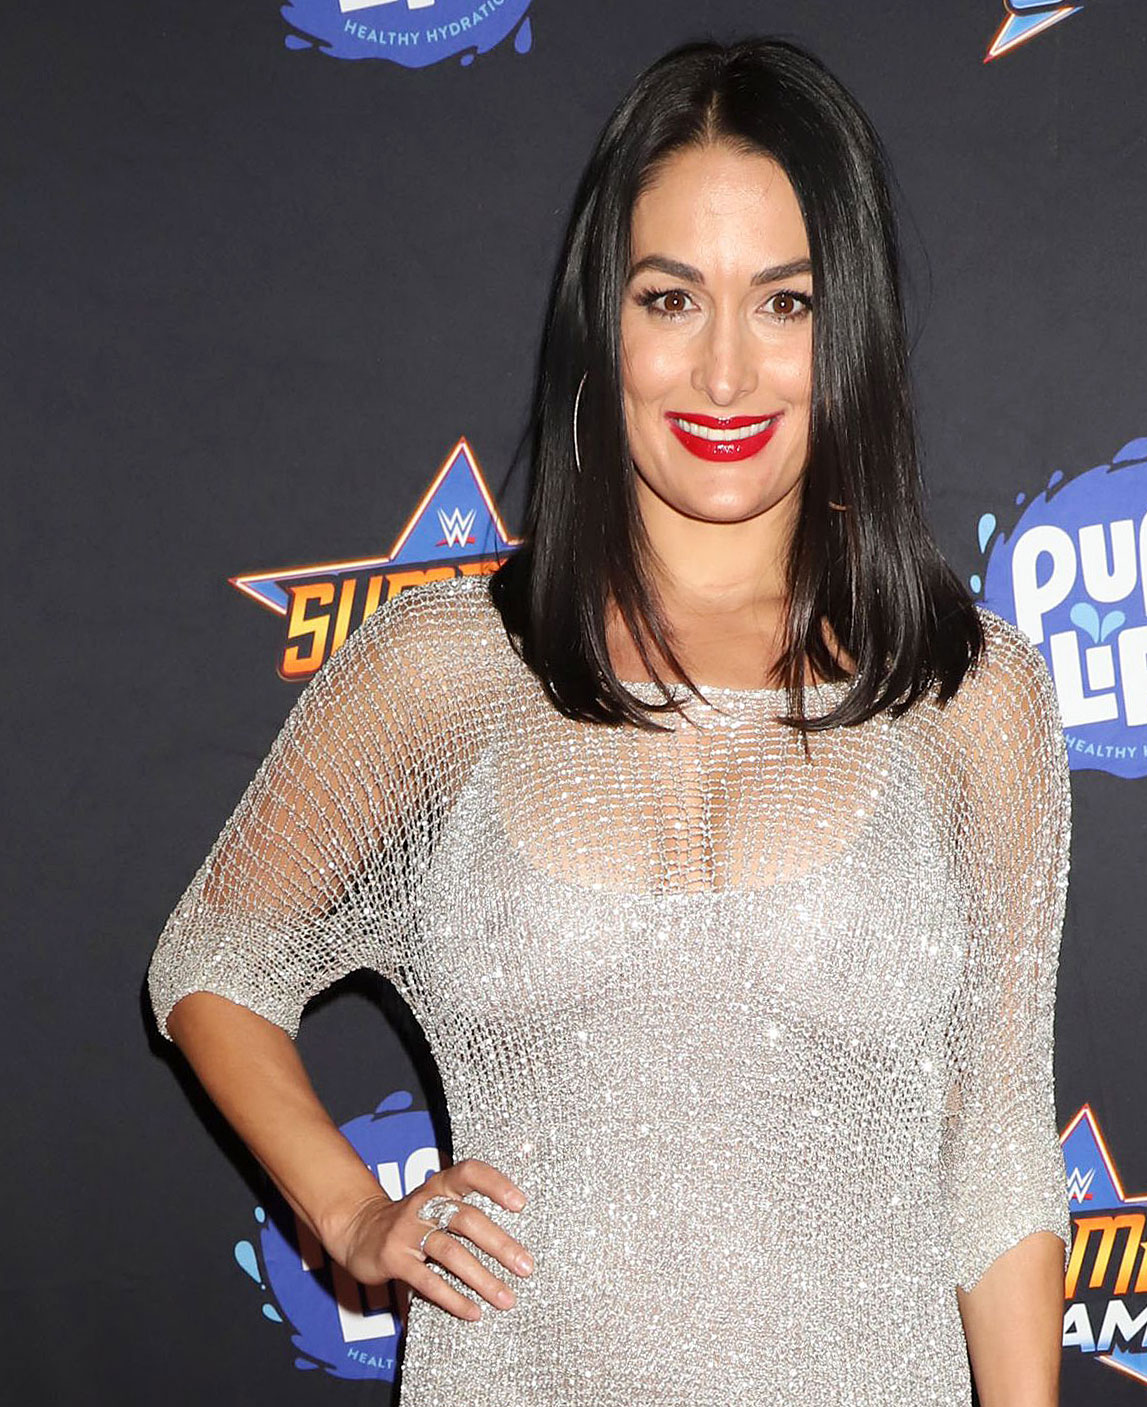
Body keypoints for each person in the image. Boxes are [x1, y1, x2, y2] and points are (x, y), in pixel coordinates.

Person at [146, 35, 1073, 1406]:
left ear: (851, 334)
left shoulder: (967, 694)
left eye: (785, 303)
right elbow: (214, 957)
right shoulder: (451, 667)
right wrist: (349, 1213)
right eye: (670, 298)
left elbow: (994, 1154)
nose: (723, 373)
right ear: (603, 323)